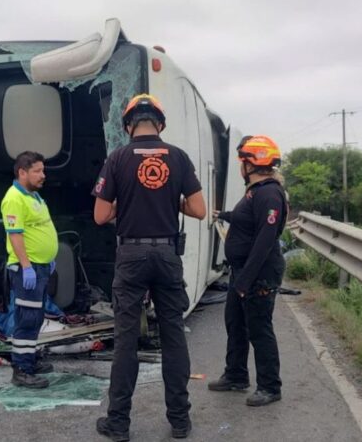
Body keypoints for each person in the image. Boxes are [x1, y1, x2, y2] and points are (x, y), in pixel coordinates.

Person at [93, 93, 206, 441]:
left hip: (131, 256)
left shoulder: (117, 158)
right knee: (173, 337)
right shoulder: (179, 158)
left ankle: (119, 423)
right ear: (160, 123)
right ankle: (180, 422)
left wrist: (122, 207)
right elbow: (199, 210)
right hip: (167, 254)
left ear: (128, 125)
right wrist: (173, 201)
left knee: (126, 340)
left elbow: (100, 216)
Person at [208, 135, 288, 407]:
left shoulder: (269, 193)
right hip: (242, 271)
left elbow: (265, 241)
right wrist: (225, 215)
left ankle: (270, 386)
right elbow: (247, 219)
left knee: (259, 328)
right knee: (236, 323)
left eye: (242, 161)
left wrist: (245, 280)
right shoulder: (256, 191)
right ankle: (236, 375)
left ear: (250, 165)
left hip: (259, 274)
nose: (240, 166)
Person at [0, 151, 58, 389]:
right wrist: (26, 266)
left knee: (36, 317)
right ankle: (21, 370)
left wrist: (49, 258)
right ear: (22, 172)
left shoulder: (33, 196)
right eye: (37, 171)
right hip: (28, 269)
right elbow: (15, 235)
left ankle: (29, 360)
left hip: (40, 266)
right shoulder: (14, 198)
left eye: (42, 170)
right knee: (26, 317)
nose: (42, 175)